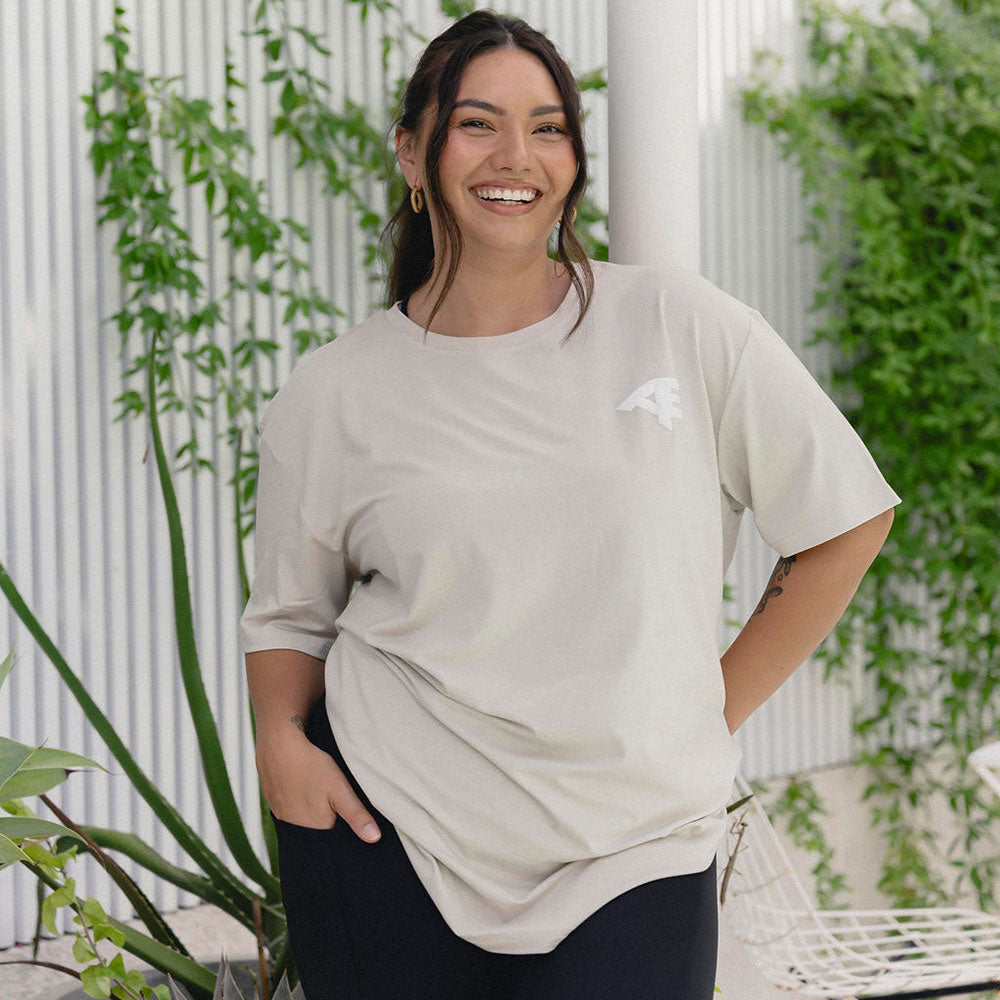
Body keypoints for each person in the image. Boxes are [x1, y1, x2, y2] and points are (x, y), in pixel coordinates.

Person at [239, 9, 901, 999]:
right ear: (412, 153)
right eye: (477, 123)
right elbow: (291, 611)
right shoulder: (334, 390)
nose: (517, 155)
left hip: (628, 847)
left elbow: (845, 518)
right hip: (391, 832)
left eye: (548, 127)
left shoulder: (676, 324)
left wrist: (708, 708)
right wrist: (279, 744)